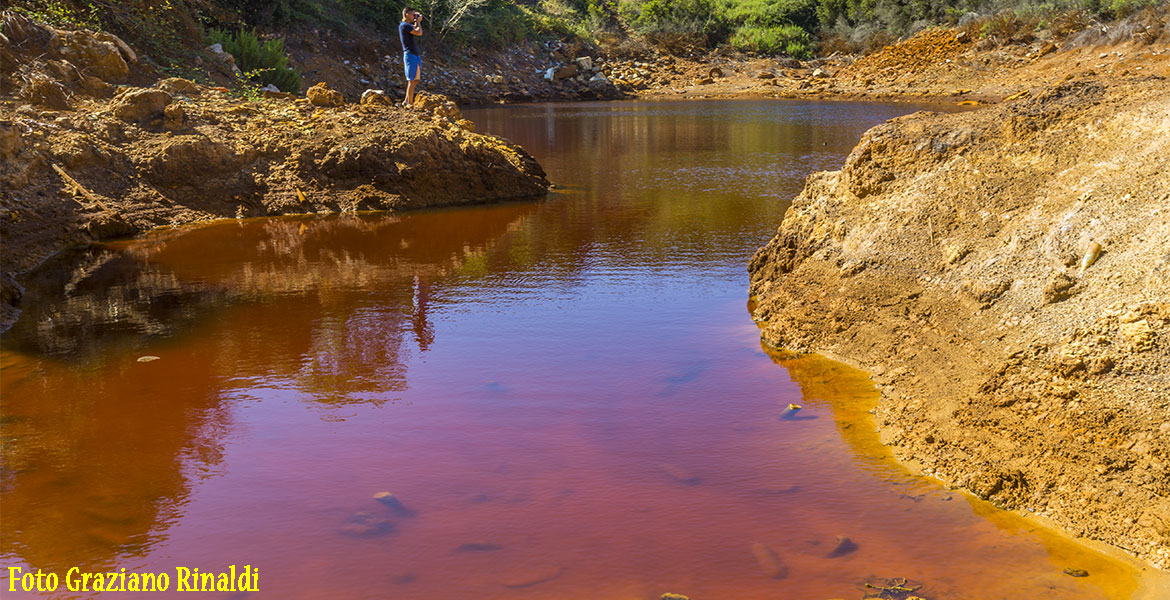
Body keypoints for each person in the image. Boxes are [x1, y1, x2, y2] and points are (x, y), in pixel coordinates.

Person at [399, 7, 423, 107]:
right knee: (411, 80)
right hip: (410, 54)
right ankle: (409, 103)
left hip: (415, 55)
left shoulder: (408, 25)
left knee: (415, 80)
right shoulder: (404, 25)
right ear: (407, 15)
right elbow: (419, 32)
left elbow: (416, 29)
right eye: (413, 14)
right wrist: (418, 21)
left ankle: (406, 101)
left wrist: (416, 21)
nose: (414, 16)